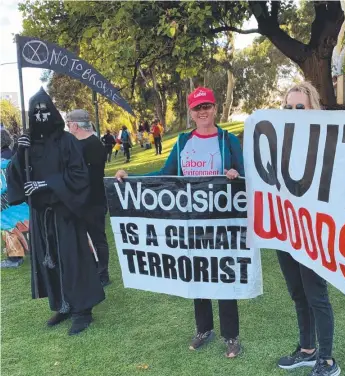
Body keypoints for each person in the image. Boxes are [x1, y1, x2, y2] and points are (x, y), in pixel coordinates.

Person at [115, 86, 244, 358]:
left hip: (222, 220)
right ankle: (203, 329)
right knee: (198, 272)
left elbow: (244, 176)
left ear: (215, 108)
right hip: (191, 220)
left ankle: (231, 336)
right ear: (191, 113)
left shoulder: (228, 140)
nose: (203, 112)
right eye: (197, 108)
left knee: (223, 274)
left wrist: (234, 174)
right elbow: (165, 175)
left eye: (207, 106)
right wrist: (131, 180)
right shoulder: (184, 141)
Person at [6, 88, 105, 335]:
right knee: (49, 262)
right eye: (34, 111)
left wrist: (46, 183)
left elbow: (79, 175)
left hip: (65, 212)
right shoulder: (29, 144)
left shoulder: (67, 141)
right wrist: (19, 150)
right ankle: (63, 304)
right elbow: (17, 176)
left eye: (44, 110)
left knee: (72, 260)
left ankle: (83, 311)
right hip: (41, 214)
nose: (40, 115)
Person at [276, 81, 340, 376]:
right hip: (284, 230)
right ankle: (307, 350)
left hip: (313, 232)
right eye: (289, 107)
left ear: (313, 108)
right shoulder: (278, 141)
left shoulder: (328, 142)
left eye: (300, 107)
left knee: (316, 294)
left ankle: (326, 360)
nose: (294, 112)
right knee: (298, 293)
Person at [67, 109, 111, 287]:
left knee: (97, 238)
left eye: (68, 123)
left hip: (92, 200)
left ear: (75, 125)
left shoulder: (90, 144)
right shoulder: (86, 143)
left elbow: (88, 176)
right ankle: (95, 271)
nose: (68, 127)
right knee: (87, 238)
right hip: (86, 200)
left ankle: (102, 274)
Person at [1, 127, 28, 269]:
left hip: (10, 204)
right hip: (19, 200)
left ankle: (14, 257)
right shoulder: (10, 154)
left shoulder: (2, 161)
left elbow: (3, 186)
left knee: (6, 223)